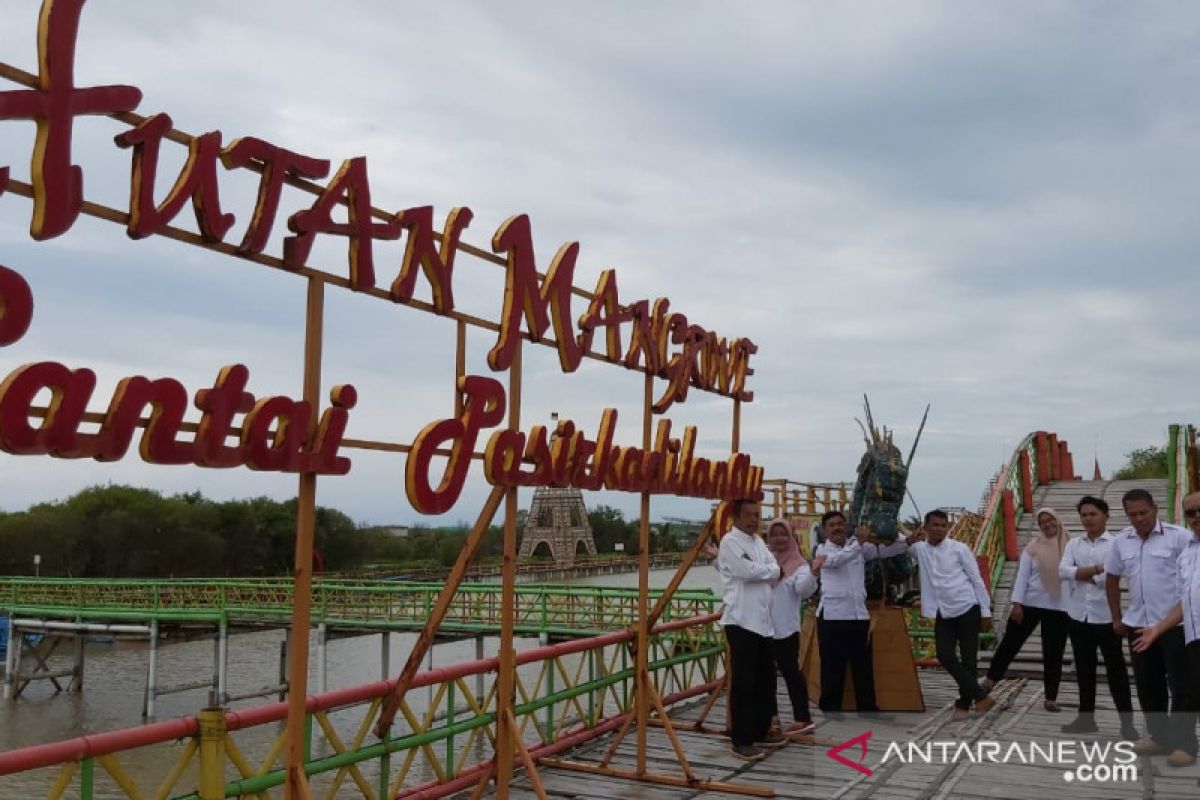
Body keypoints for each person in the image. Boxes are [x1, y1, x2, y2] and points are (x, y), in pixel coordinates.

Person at [1105, 488, 1193, 766]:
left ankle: (1185, 744)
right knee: (1147, 685)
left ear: (1155, 509)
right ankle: (1160, 737)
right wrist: (1117, 617)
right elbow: (1111, 578)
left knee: (1182, 686)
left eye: (1144, 512)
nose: (1139, 518)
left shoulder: (1180, 537)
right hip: (1138, 624)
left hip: (1174, 624)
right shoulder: (1121, 542)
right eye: (1132, 514)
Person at [1130, 490, 1200, 768]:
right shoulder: (1188, 554)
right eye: (1191, 513)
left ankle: (1184, 743)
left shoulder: (1177, 540)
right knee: (1190, 689)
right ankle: (1178, 742)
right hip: (1192, 634)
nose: (1196, 517)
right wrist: (1157, 629)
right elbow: (1185, 602)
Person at [1057, 496, 1137, 738]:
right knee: (1084, 670)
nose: (1088, 519)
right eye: (1084, 515)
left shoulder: (1116, 544)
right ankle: (1086, 719)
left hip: (1106, 617)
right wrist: (1097, 568)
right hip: (1079, 615)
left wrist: (1083, 573)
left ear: (1105, 515)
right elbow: (1062, 571)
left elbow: (1107, 580)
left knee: (1117, 671)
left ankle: (1127, 723)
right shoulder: (1074, 544)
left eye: (1093, 514)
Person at [904, 509, 995, 718]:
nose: (939, 529)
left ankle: (964, 703)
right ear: (926, 527)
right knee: (945, 655)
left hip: (966, 606)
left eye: (943, 525)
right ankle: (981, 696)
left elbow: (976, 579)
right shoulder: (920, 549)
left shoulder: (959, 549)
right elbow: (899, 545)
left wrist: (985, 610)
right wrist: (910, 538)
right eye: (934, 525)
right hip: (942, 611)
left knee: (968, 658)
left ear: (948, 528)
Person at [715, 498, 786, 760]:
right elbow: (747, 571)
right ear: (736, 517)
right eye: (748, 515)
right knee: (744, 683)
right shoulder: (729, 542)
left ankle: (761, 731)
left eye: (757, 515)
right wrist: (767, 570)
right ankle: (741, 739)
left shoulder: (758, 542)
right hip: (741, 621)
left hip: (764, 623)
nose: (754, 520)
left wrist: (766, 570)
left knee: (766, 680)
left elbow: (776, 570)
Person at [983, 507, 1070, 712]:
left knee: (1054, 652)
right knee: (1009, 644)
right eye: (1042, 523)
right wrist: (1016, 603)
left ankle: (1051, 697)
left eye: (1051, 520)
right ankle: (989, 680)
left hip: (1060, 606)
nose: (1048, 525)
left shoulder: (1072, 545)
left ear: (1057, 520)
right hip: (1030, 603)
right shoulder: (1033, 547)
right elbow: (1022, 577)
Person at [810, 510, 879, 716]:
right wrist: (859, 543)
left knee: (863, 666)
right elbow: (837, 561)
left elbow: (881, 551)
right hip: (833, 616)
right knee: (832, 666)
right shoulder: (821, 550)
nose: (838, 527)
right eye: (832, 525)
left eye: (841, 523)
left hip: (859, 615)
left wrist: (908, 541)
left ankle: (868, 709)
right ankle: (830, 709)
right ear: (825, 530)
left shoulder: (856, 547)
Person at [765, 518, 818, 737]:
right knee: (766, 674)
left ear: (791, 537)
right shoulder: (765, 561)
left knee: (791, 673)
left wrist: (814, 573)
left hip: (786, 628)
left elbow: (803, 590)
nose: (779, 539)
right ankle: (771, 716)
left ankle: (802, 717)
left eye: (783, 534)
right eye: (774, 534)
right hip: (762, 627)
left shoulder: (799, 564)